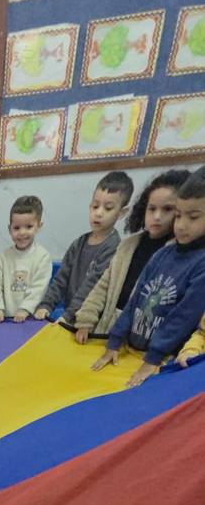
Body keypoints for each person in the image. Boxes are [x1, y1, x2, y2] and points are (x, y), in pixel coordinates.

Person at [92, 166, 205, 387]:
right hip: (131, 348)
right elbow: (135, 300)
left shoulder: (201, 264)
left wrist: (154, 357)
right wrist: (114, 341)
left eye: (193, 217)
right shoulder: (162, 254)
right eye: (178, 216)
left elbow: (183, 317)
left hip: (162, 359)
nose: (181, 225)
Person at [74, 169, 191, 343]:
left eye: (167, 209)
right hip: (105, 331)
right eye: (152, 208)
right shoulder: (127, 245)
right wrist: (85, 320)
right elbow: (103, 286)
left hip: (141, 342)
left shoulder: (179, 255)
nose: (157, 216)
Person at [34, 170, 134, 326]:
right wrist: (46, 305)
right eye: (95, 206)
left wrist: (68, 316)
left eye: (108, 208)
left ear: (122, 212)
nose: (98, 213)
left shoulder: (114, 248)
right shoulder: (79, 243)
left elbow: (91, 287)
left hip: (91, 324)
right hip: (69, 318)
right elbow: (61, 279)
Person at [0, 195, 52, 323]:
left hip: (31, 320)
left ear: (39, 226)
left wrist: (25, 309)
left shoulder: (43, 257)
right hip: (5, 320)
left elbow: (39, 288)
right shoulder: (2, 258)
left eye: (29, 227)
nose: (22, 233)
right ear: (9, 229)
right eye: (16, 228)